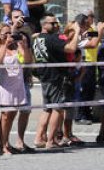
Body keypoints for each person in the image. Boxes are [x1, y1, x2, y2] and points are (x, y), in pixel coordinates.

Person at [33, 15, 77, 149]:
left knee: (47, 108)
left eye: (57, 23)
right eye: (53, 23)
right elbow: (71, 48)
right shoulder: (52, 38)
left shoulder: (37, 38)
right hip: (55, 76)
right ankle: (51, 140)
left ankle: (39, 138)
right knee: (57, 108)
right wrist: (77, 32)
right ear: (44, 24)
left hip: (44, 76)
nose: (56, 26)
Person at [0, 25, 33, 154]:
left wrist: (24, 45)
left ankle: (7, 143)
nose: (9, 36)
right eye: (6, 34)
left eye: (10, 33)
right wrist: (6, 44)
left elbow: (27, 61)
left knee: (11, 116)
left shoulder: (17, 48)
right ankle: (2, 145)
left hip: (18, 85)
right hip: (6, 86)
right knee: (5, 117)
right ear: (0, 35)